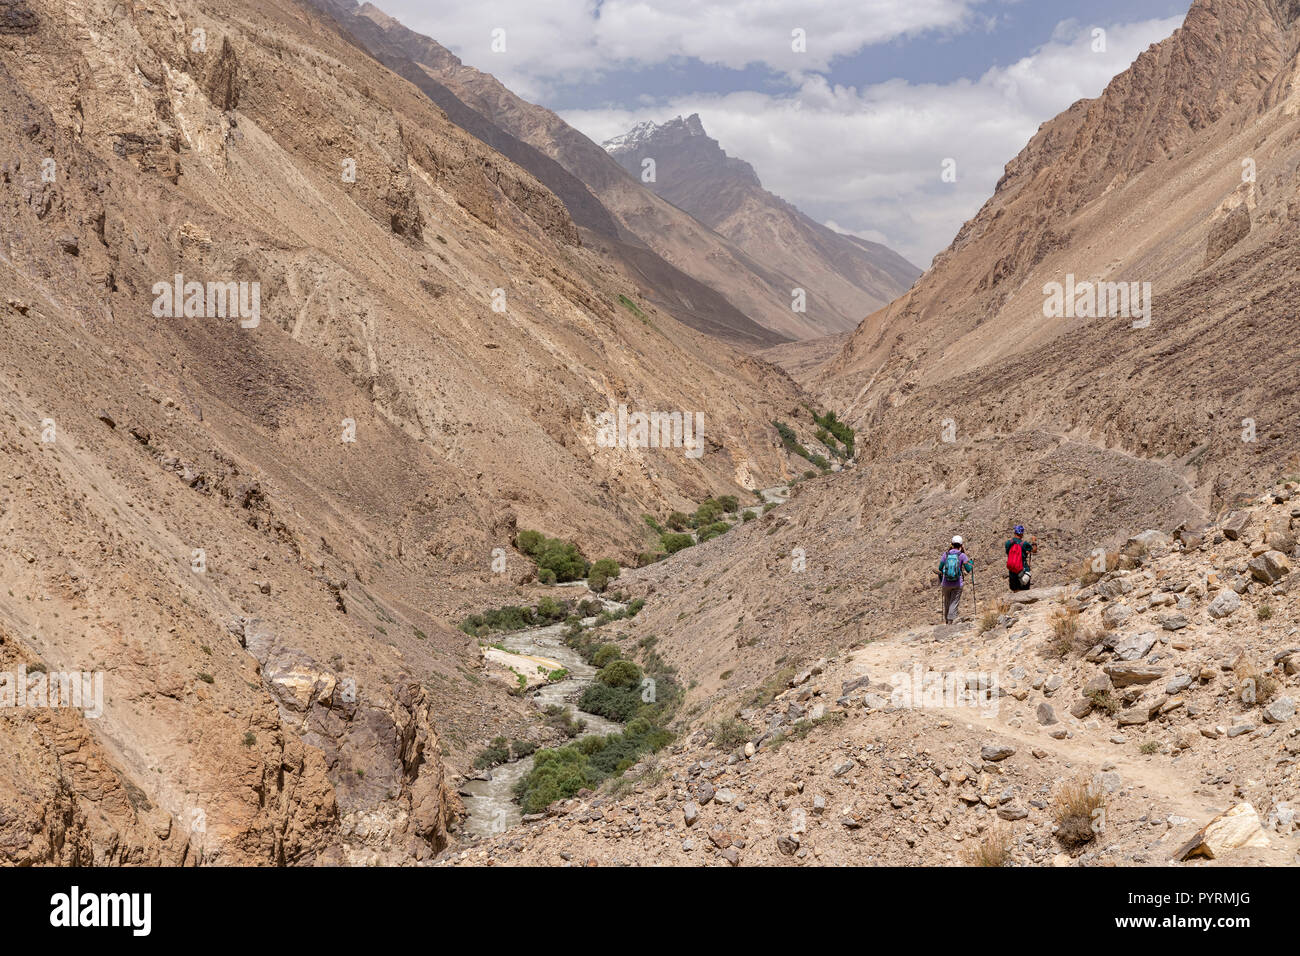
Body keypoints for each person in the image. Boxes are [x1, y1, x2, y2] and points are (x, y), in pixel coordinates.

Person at [937, 535, 973, 623]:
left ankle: (947, 622)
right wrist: (971, 562)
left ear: (952, 544)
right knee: (954, 602)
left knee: (947, 603)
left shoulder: (946, 554)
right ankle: (951, 621)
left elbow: (940, 568)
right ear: (961, 545)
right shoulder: (962, 555)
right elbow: (968, 569)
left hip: (946, 583)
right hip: (957, 583)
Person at [1005, 525, 1038, 592]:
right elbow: (1034, 550)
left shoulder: (1008, 543)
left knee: (1015, 590)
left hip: (1012, 570)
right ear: (1022, 534)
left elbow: (1008, 553)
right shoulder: (1024, 544)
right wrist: (1034, 541)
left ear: (1015, 532)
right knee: (1024, 590)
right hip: (1023, 569)